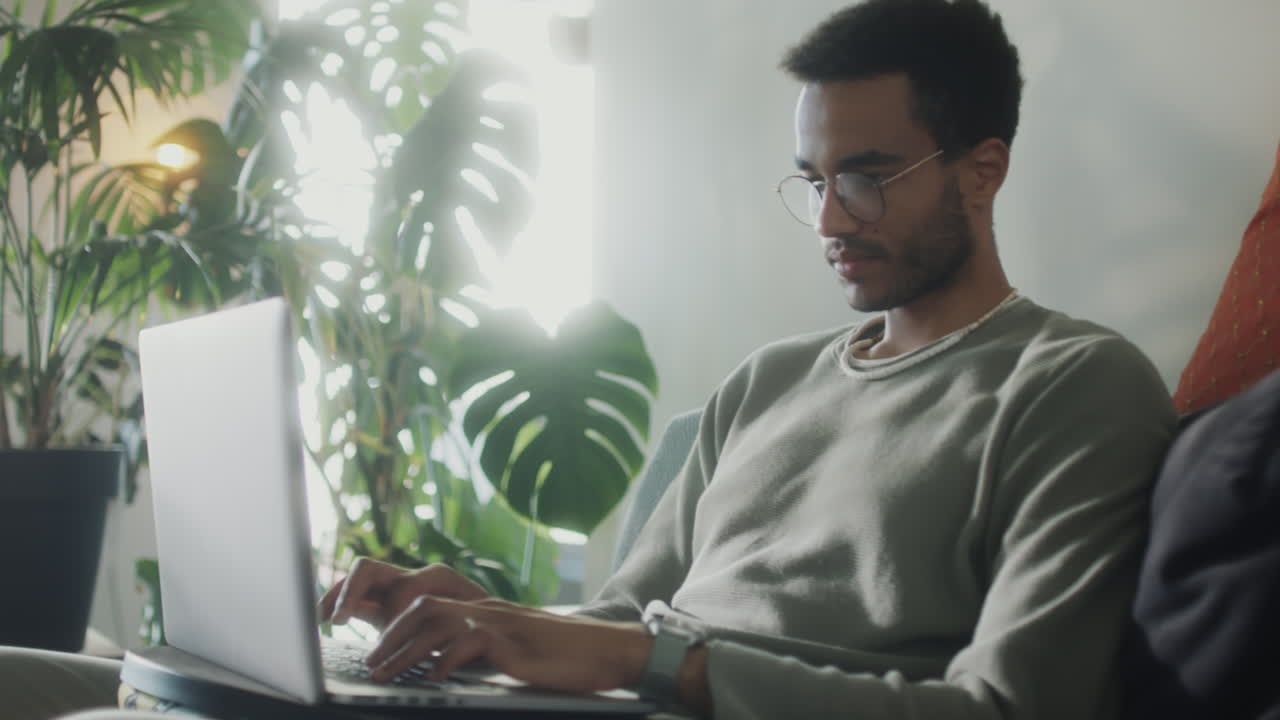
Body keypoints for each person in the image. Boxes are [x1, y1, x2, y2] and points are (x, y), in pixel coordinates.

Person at [0, 1, 1175, 718]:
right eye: (812, 180)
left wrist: (644, 662)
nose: (827, 221)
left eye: (865, 176)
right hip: (605, 710)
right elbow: (625, 615)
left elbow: (1010, 711)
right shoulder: (768, 381)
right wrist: (473, 609)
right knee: (39, 680)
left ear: (982, 168)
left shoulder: (1069, 385)